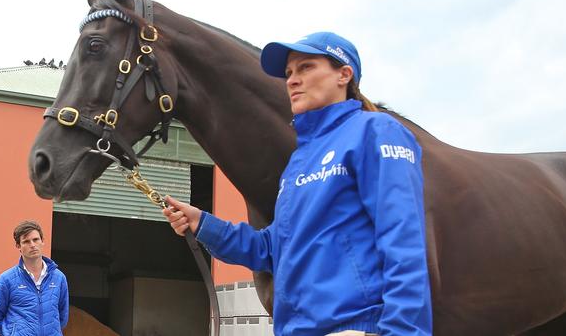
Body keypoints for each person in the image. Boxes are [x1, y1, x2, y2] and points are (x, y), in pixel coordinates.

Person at [163, 31, 432, 335]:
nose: (291, 80)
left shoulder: (376, 132)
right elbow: (271, 248)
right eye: (289, 72)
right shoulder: (299, 162)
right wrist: (203, 223)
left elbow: (403, 239)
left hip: (352, 327)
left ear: (344, 75)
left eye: (306, 68)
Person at [0, 220, 69, 335]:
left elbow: (63, 318)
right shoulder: (6, 280)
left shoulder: (59, 278)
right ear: (18, 246)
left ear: (42, 241)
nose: (32, 245)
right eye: (26, 241)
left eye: (36, 239)